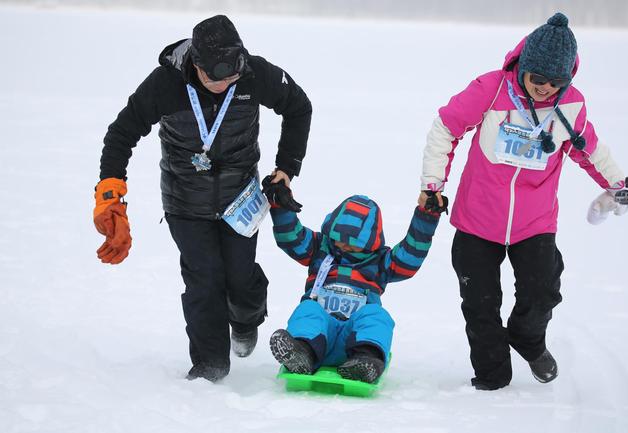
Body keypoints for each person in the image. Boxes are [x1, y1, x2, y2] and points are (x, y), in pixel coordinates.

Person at [419, 13, 628, 390]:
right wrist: (433, 184)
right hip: (477, 218)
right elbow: (446, 127)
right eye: (538, 79)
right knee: (480, 305)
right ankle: (492, 377)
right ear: (524, 69)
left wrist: (618, 183)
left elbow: (590, 149)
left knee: (543, 290)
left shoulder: (570, 106)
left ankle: (527, 337)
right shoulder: (491, 89)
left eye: (556, 83)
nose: (545, 89)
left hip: (534, 221)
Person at [93, 15, 312, 382]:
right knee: (204, 280)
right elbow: (121, 133)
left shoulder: (254, 74)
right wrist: (110, 191)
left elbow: (298, 107)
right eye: (217, 79)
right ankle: (210, 364)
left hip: (240, 200)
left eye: (232, 78)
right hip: (185, 202)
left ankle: (245, 320)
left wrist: (286, 168)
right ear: (197, 65)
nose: (226, 84)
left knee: (240, 280)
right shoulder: (165, 84)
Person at [264, 181, 447, 383]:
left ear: (370, 243)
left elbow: (410, 257)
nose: (344, 246)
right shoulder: (320, 248)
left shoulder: (380, 261)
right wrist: (280, 205)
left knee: (376, 316)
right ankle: (301, 353)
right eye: (339, 239)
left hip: (353, 341)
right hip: (318, 337)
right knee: (309, 309)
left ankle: (366, 361)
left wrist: (426, 217)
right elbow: (291, 238)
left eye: (354, 244)